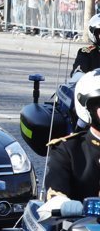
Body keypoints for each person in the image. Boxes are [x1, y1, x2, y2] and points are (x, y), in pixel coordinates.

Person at [44, 71, 100, 201]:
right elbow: (55, 189)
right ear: (88, 107)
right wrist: (61, 202)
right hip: (80, 221)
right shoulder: (68, 150)